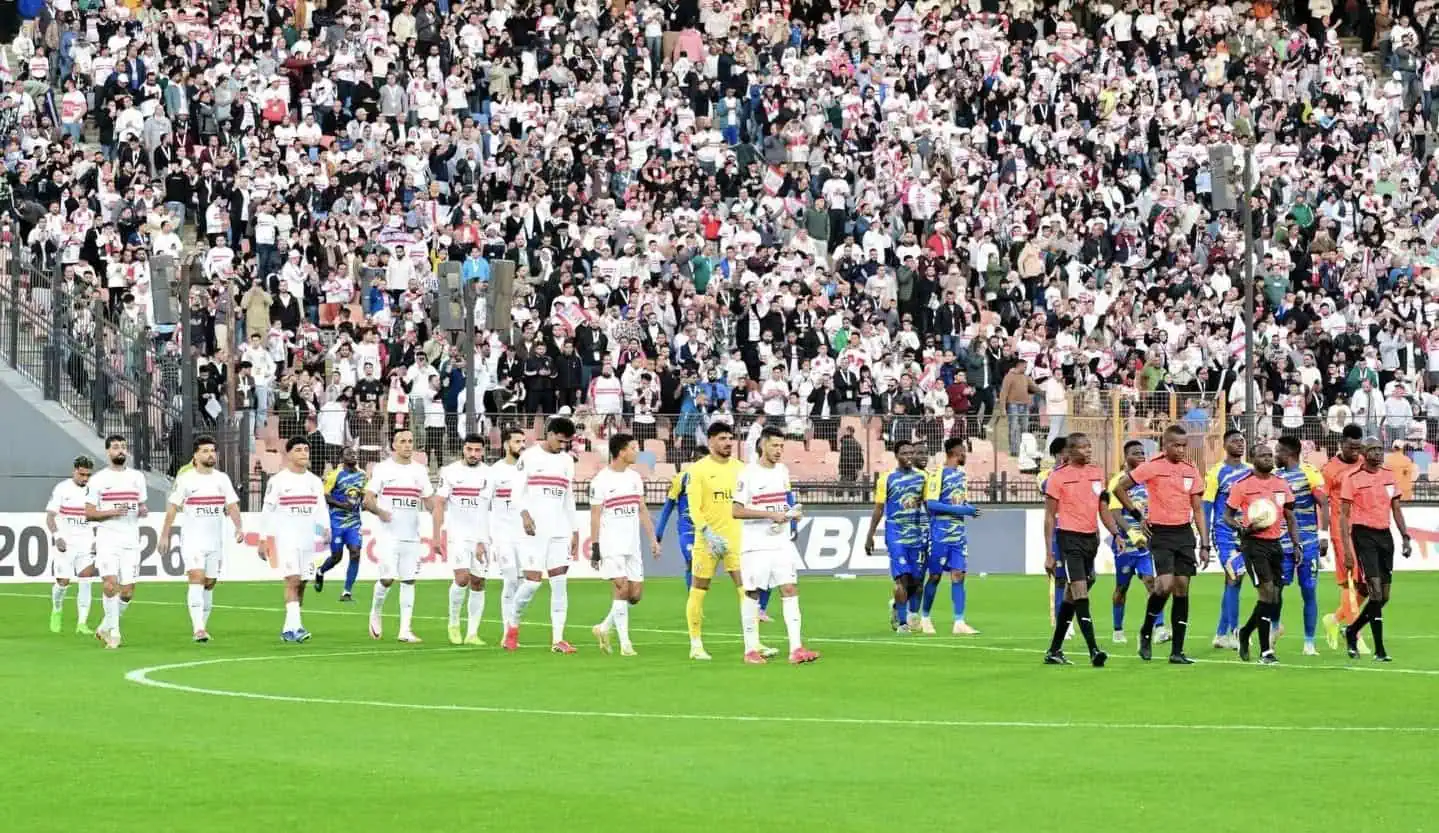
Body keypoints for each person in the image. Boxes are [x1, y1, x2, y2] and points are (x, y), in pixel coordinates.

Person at [1115, 424, 1211, 664]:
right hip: (1160, 533)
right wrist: (1138, 516)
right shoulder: (1152, 467)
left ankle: (1177, 651)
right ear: (1165, 445)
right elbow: (1119, 488)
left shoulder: (1191, 471)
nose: (1180, 450)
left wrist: (1205, 544)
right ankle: (1147, 630)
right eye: (1175, 445)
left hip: (1184, 533)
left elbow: (1198, 509)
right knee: (1164, 585)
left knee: (1182, 588)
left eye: (1183, 446)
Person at [732, 426, 819, 664]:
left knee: (790, 589)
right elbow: (736, 511)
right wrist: (769, 516)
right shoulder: (747, 473)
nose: (779, 450)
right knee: (753, 593)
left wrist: (792, 514)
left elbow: (784, 502)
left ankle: (796, 648)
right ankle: (750, 650)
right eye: (775, 445)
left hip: (780, 542)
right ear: (762, 445)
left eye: (782, 446)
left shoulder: (782, 471)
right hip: (755, 544)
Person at [685, 422, 767, 661]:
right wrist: (706, 531)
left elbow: (748, 502)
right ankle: (696, 644)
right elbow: (694, 507)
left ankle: (754, 643)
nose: (728, 442)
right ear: (711, 441)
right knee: (699, 590)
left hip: (737, 539)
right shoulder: (698, 470)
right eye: (722, 438)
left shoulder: (741, 469)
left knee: (747, 590)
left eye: (730, 438)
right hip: (707, 541)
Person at [507, 416, 580, 654]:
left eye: (566, 442)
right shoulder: (529, 457)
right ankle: (513, 626)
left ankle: (558, 639)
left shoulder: (567, 461)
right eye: (560, 441)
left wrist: (575, 529)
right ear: (549, 434)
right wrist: (524, 514)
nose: (562, 446)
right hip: (533, 530)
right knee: (532, 583)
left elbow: (568, 498)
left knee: (560, 582)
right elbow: (515, 492)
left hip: (559, 529)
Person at [1223, 443, 1301, 665]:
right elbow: (1227, 516)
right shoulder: (1242, 485)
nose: (1268, 458)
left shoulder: (1281, 484)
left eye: (1270, 455)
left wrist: (1297, 545)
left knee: (1275, 596)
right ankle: (1266, 651)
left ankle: (1245, 631)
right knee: (1266, 592)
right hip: (1253, 544)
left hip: (1276, 544)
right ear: (1253, 458)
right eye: (1263, 455)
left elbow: (1290, 517)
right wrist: (1240, 528)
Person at [159, 436, 243, 642]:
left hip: (215, 540)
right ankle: (198, 628)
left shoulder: (222, 479)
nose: (210, 454)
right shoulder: (186, 479)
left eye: (213, 450)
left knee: (209, 582)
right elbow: (172, 507)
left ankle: (202, 625)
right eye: (205, 451)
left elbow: (232, 505)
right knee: (196, 577)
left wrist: (239, 527)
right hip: (193, 540)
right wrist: (164, 534)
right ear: (196, 455)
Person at [1339, 437, 1414, 663]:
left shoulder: (1389, 475)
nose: (1378, 453)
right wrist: (1348, 550)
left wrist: (1406, 536)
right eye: (1373, 450)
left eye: (1381, 449)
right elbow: (1344, 515)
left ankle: (1351, 631)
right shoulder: (1352, 478)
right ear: (1363, 452)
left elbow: (1396, 508)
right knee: (1375, 592)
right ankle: (1379, 650)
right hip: (1363, 536)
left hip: (1384, 535)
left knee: (1384, 597)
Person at [1042, 433, 1112, 667]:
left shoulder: (1097, 473)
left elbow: (1103, 507)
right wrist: (1049, 553)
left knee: (1073, 596)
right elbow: (1050, 516)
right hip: (1068, 538)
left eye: (1089, 446)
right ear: (1070, 451)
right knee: (1080, 591)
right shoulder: (1058, 477)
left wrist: (1115, 532)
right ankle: (1094, 650)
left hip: (1090, 539)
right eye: (1082, 447)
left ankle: (1054, 650)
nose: (1088, 450)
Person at [588, 433, 661, 657]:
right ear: (621, 452)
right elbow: (595, 516)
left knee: (635, 595)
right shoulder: (601, 481)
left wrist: (652, 539)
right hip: (612, 545)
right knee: (621, 588)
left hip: (632, 544)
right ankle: (625, 644)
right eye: (633, 448)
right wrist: (596, 547)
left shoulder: (634, 478)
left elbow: (642, 509)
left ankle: (603, 627)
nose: (636, 451)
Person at [364, 428, 437, 643]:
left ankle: (405, 630)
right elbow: (368, 499)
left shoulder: (420, 470)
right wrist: (380, 512)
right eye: (402, 441)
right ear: (393, 445)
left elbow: (429, 500)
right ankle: (376, 611)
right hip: (388, 535)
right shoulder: (383, 469)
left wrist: (439, 514)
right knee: (387, 578)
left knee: (409, 580)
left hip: (412, 535)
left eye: (410, 441)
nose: (407, 445)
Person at [260, 437, 329, 642]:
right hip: (286, 539)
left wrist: (325, 531)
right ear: (288, 454)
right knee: (292, 579)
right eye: (298, 450)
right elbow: (267, 511)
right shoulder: (278, 481)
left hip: (310, 539)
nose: (303, 453)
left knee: (303, 582)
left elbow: (321, 510)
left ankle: (289, 628)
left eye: (306, 449)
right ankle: (296, 627)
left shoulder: (315, 481)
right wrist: (263, 539)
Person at [85, 435, 149, 650]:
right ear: (107, 452)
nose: (120, 450)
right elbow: (89, 513)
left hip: (131, 539)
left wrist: (142, 510)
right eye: (115, 447)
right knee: (110, 584)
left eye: (123, 447)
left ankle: (104, 626)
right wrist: (113, 511)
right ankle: (115, 632)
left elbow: (141, 505)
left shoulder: (137, 477)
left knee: (128, 591)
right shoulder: (98, 480)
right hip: (108, 539)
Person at [865, 439, 929, 632]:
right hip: (896, 533)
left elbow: (927, 504)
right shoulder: (887, 479)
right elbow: (879, 508)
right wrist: (870, 535)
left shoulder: (923, 477)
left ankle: (901, 609)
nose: (909, 457)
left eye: (911, 453)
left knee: (917, 582)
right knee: (901, 578)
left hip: (917, 533)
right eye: (904, 453)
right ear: (896, 456)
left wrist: (933, 528)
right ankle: (902, 624)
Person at [434, 433, 493, 645]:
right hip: (457, 534)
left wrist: (481, 540)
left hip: (482, 536)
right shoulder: (449, 472)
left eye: (478, 450)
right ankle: (453, 623)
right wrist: (436, 535)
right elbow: (439, 503)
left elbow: (485, 509)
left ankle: (472, 633)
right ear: (463, 449)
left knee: (478, 582)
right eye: (470, 449)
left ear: (483, 451)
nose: (473, 454)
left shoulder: (489, 474)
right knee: (462, 578)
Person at [1108, 440, 1167, 645]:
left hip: (1146, 545)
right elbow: (1114, 512)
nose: (1141, 456)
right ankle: (1117, 628)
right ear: (1126, 457)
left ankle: (1159, 628)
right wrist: (1130, 532)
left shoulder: (1149, 480)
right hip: (1126, 544)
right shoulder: (1118, 481)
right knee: (1121, 588)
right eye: (1136, 453)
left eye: (1143, 453)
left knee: (1152, 583)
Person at [921, 437, 981, 635]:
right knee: (935, 576)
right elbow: (931, 504)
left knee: (959, 575)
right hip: (939, 533)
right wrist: (962, 510)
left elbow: (957, 503)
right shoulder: (937, 474)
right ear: (955, 452)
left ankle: (959, 622)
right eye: (963, 451)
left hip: (958, 534)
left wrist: (968, 509)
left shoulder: (961, 476)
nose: (965, 455)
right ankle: (925, 617)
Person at [1274, 436, 1327, 655]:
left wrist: (1323, 535)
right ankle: (1274, 628)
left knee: (1308, 591)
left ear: (1288, 454)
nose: (1274, 455)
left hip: (1308, 542)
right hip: (1281, 543)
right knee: (1275, 590)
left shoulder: (1309, 473)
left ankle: (1309, 642)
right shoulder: (1275, 476)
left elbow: (1323, 503)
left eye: (1277, 452)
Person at [1203, 430, 1252, 650]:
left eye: (1242, 441)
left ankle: (1221, 634)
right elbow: (1206, 508)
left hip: (1247, 534)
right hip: (1223, 533)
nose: (1240, 444)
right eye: (1234, 441)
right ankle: (1234, 632)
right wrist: (1203, 541)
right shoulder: (1216, 473)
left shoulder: (1251, 471)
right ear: (1224, 445)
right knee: (1235, 577)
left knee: (1233, 581)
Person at [1322, 426, 1367, 652]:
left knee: (1367, 586)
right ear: (1341, 444)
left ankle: (1335, 619)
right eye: (1351, 447)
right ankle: (1355, 634)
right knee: (1350, 581)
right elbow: (1321, 502)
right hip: (1342, 532)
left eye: (1358, 448)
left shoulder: (1364, 462)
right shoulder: (1330, 469)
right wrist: (1323, 533)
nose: (1355, 452)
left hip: (1365, 530)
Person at [44, 456, 97, 635]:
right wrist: (57, 536)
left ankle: (82, 623)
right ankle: (57, 610)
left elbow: (98, 517)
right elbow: (50, 516)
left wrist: (97, 540)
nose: (84, 478)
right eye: (81, 474)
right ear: (74, 471)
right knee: (62, 582)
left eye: (87, 475)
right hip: (65, 544)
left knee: (86, 580)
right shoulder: (62, 489)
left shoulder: (94, 490)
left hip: (86, 543)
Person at [485, 428, 527, 645]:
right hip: (502, 534)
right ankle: (506, 631)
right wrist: (484, 536)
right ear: (506, 445)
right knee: (510, 579)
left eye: (523, 441)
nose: (522, 444)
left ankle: (514, 628)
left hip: (524, 535)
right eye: (517, 441)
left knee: (523, 582)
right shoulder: (495, 472)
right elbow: (484, 503)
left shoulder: (527, 471)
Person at [315, 446, 367, 601]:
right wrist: (343, 505)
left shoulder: (363, 475)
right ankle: (321, 570)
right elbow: (324, 496)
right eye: (348, 454)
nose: (353, 455)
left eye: (354, 453)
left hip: (354, 523)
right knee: (336, 557)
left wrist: (365, 503)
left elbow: (364, 495)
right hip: (336, 522)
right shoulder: (335, 475)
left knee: (356, 553)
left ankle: (347, 591)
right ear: (341, 458)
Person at [1038, 437, 1071, 638]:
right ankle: (1061, 621)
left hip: (1076, 529)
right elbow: (1046, 486)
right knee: (1059, 579)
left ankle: (1069, 615)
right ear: (1059, 453)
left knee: (1081, 578)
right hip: (1058, 530)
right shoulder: (1046, 475)